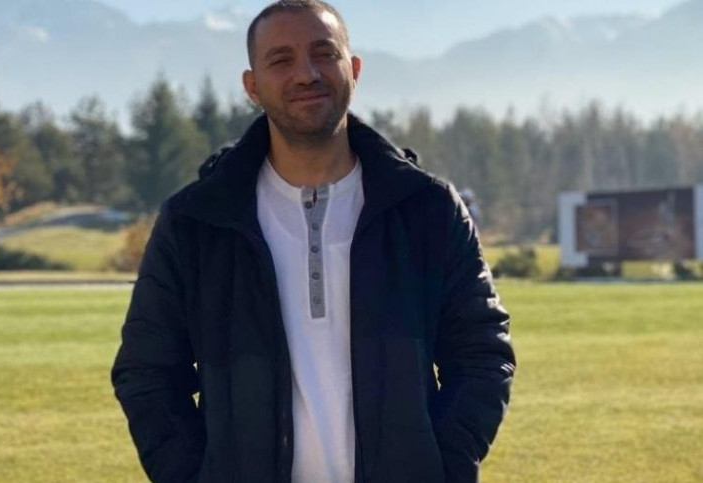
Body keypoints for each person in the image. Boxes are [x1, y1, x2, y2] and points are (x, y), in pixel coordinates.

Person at [111, 1, 516, 482]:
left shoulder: (425, 208)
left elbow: (482, 353)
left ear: (354, 69)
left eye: (324, 54)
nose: (306, 74)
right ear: (252, 87)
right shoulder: (197, 222)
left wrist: (442, 467)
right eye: (281, 60)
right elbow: (147, 372)